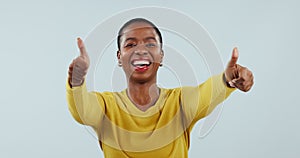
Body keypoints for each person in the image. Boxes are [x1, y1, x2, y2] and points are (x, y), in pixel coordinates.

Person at [66, 18, 254, 158]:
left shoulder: (179, 103)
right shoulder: (107, 106)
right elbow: (82, 110)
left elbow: (207, 93)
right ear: (119, 57)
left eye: (150, 43)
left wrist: (228, 80)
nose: (140, 50)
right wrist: (77, 81)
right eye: (130, 44)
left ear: (161, 56)